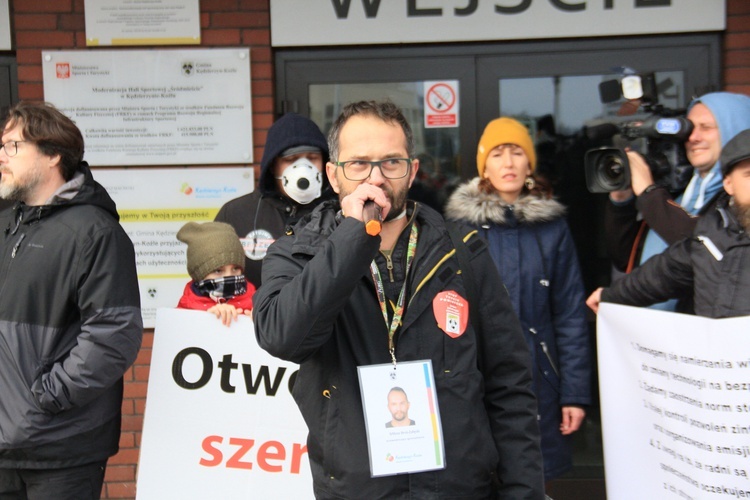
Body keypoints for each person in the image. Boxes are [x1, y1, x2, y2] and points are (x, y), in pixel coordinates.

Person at [253, 100, 544, 499]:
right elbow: (282, 337)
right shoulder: (297, 253)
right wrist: (354, 236)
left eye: (391, 162)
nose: (376, 177)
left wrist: (524, 492)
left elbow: (508, 382)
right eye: (358, 164)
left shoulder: (462, 252)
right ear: (333, 177)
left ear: (413, 170)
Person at [0, 101, 143, 499]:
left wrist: (46, 396)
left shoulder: (96, 233)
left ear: (53, 155)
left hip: (61, 448)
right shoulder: (5, 226)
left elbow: (114, 336)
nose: (1, 156)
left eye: (12, 146)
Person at [445, 117, 591, 482]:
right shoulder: (460, 229)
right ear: (484, 167)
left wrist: (574, 393)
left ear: (529, 164)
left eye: (516, 153)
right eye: (497, 154)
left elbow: (570, 314)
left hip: (540, 378)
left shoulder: (553, 229)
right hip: (477, 374)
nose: (508, 163)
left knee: (532, 478)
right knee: (478, 476)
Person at [605, 92, 750, 311]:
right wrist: (622, 201)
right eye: (689, 128)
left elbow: (701, 245)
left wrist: (648, 192)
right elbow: (627, 259)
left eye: (706, 127)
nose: (693, 137)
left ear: (737, 128)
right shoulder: (680, 195)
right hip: (659, 336)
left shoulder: (738, 202)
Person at [215, 112, 331, 287]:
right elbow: (210, 277)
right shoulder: (235, 214)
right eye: (290, 160)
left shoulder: (338, 211)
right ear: (272, 166)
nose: (303, 169)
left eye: (312, 158)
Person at [176, 221, 256, 326]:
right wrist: (209, 318)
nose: (228, 276)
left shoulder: (258, 302)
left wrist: (262, 323)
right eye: (218, 271)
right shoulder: (186, 307)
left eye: (235, 269)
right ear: (199, 275)